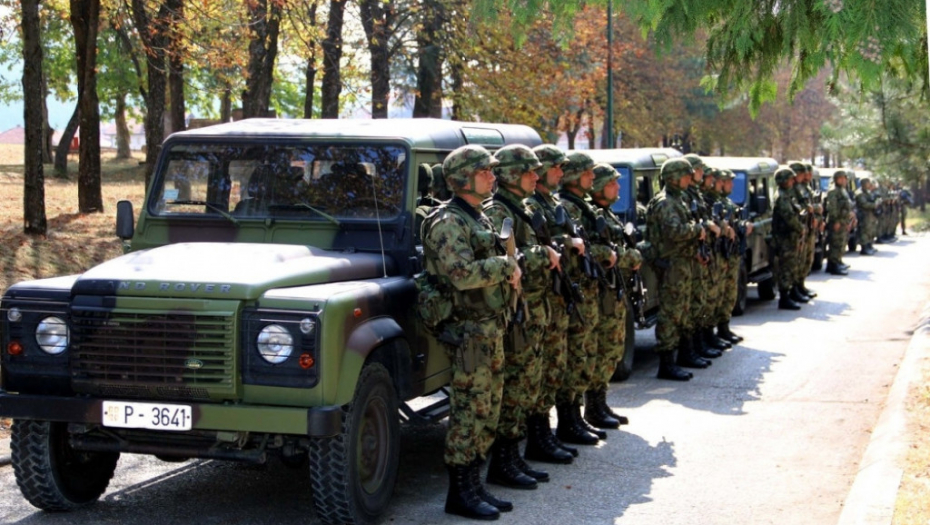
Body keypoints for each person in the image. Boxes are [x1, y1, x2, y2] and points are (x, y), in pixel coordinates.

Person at [420, 144, 521, 520]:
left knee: (488, 408)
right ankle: (460, 493)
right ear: (463, 178)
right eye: (485, 171)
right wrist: (506, 265)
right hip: (467, 330)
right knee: (469, 411)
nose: (493, 177)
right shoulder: (448, 221)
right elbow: (461, 275)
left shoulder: (478, 216)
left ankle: (475, 485)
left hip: (488, 325)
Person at [483, 144, 558, 490]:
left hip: (532, 308)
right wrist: (543, 253)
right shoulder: (499, 211)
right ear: (511, 174)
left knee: (528, 382)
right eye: (528, 170)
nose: (535, 176)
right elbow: (507, 257)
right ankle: (503, 462)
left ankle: (514, 456)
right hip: (514, 311)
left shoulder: (524, 207)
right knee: (514, 385)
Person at [524, 144, 584, 462]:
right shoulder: (530, 204)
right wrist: (565, 242)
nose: (561, 173)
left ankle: (551, 431)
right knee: (541, 369)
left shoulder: (551, 202)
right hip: (539, 299)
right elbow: (534, 247)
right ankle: (538, 436)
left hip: (556, 296)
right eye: (556, 167)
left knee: (556, 366)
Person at [557, 152, 615, 442]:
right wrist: (606, 254)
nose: (593, 177)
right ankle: (569, 420)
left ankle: (580, 415)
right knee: (576, 356)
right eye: (587, 173)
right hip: (576, 293)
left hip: (588, 291)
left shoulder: (582, 206)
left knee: (587, 354)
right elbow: (577, 251)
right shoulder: (566, 207)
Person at [589, 163, 643, 426]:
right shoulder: (590, 214)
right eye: (612, 183)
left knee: (612, 350)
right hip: (601, 294)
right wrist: (628, 256)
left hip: (614, 291)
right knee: (600, 350)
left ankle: (600, 403)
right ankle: (593, 408)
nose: (617, 187)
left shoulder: (606, 214)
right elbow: (596, 251)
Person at [645, 158, 707, 381]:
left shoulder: (677, 200)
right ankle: (667, 363)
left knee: (683, 310)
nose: (689, 179)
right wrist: (697, 229)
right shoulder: (665, 203)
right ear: (673, 178)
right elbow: (674, 231)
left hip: (682, 263)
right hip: (670, 264)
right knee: (671, 313)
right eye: (685, 175)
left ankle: (684, 353)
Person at [713, 169, 751, 342]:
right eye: (727, 181)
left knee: (729, 293)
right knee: (719, 294)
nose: (731, 185)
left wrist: (744, 225)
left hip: (731, 252)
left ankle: (724, 328)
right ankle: (714, 332)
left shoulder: (726, 202)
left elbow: (736, 220)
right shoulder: (713, 202)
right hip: (721, 253)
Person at [772, 168, 805, 310]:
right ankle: (784, 297)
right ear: (783, 181)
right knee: (786, 267)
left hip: (790, 237)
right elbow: (789, 217)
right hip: (784, 238)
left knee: (792, 265)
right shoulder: (782, 197)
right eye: (790, 179)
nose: (793, 181)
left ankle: (791, 292)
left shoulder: (787, 195)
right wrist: (800, 228)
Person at [825, 170, 854, 275]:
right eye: (840, 178)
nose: (843, 180)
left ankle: (837, 261)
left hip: (843, 220)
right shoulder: (833, 191)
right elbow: (832, 208)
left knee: (841, 242)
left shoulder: (842, 190)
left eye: (844, 178)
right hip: (836, 221)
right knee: (835, 243)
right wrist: (836, 221)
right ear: (836, 179)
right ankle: (833, 265)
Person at [855, 177, 879, 255]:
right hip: (863, 215)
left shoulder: (867, 192)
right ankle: (864, 247)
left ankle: (869, 245)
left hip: (869, 215)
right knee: (864, 231)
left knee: (870, 230)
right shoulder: (860, 193)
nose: (869, 184)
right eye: (868, 183)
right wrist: (874, 205)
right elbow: (864, 204)